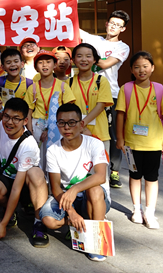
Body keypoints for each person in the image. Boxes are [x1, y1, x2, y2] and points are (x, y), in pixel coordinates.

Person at [40, 103, 111, 262]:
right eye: (62, 123)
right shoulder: (53, 150)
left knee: (94, 189)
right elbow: (55, 187)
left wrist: (75, 189)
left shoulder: (94, 144)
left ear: (81, 124)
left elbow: (101, 176)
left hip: (92, 197)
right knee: (48, 220)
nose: (67, 127)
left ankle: (97, 239)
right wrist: (71, 212)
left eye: (72, 122)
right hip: (66, 198)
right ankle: (80, 221)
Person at [116, 51, 163, 229]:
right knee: (134, 176)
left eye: (145, 66)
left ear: (152, 68)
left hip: (153, 143)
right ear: (131, 70)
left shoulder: (159, 89)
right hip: (132, 144)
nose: (141, 70)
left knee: (151, 178)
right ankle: (136, 209)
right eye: (137, 67)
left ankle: (150, 212)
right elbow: (120, 115)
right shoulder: (126, 89)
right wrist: (120, 138)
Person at [0, 98, 49, 247]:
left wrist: (3, 224)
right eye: (6, 116)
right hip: (7, 177)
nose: (10, 122)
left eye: (16, 119)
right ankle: (11, 211)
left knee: (36, 174)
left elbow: (16, 188)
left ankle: (39, 223)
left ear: (25, 121)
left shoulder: (28, 145)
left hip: (25, 184)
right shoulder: (3, 126)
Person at [80, 10, 131, 189]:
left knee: (113, 133)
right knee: (87, 128)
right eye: (112, 23)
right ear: (106, 24)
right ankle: (88, 167)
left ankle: (114, 171)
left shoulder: (122, 47)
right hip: (88, 92)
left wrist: (87, 57)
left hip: (111, 94)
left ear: (122, 29)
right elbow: (74, 29)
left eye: (118, 25)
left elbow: (104, 64)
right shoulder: (94, 40)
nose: (114, 27)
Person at [25, 50, 76, 145]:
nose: (44, 65)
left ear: (55, 65)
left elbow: (68, 110)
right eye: (40, 62)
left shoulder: (63, 86)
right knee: (38, 153)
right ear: (36, 68)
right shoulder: (33, 88)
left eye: (48, 62)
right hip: (37, 126)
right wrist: (30, 132)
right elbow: (29, 111)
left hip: (57, 124)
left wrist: (51, 128)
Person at [69, 44, 112, 148]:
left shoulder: (102, 81)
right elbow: (69, 109)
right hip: (76, 134)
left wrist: (81, 125)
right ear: (73, 60)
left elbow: (100, 106)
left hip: (100, 134)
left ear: (94, 60)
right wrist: (82, 128)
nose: (84, 59)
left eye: (88, 56)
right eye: (79, 56)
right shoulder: (68, 83)